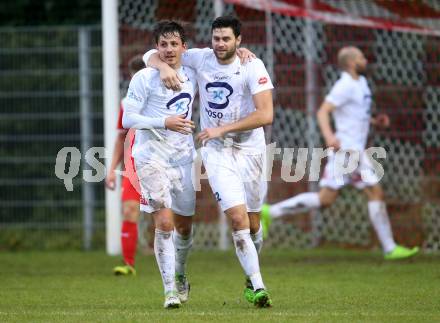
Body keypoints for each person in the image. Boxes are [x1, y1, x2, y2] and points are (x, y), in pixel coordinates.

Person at [144, 15, 273, 307]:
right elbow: (153, 54)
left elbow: (266, 115)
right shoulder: (202, 58)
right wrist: (163, 65)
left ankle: (250, 275)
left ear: (239, 41)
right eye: (216, 38)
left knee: (253, 224)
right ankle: (258, 285)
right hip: (215, 150)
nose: (220, 44)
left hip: (251, 150)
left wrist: (223, 128)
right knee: (237, 218)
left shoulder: (252, 65)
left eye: (227, 39)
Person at [261, 46, 419, 260]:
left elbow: (354, 113)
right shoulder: (344, 85)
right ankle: (390, 248)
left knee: (325, 198)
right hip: (348, 151)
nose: (365, 60)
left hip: (352, 150)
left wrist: (374, 121)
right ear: (352, 62)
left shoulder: (360, 83)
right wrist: (329, 137)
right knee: (375, 192)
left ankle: (271, 212)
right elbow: (323, 111)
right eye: (362, 57)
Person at [122, 21, 197, 309]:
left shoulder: (192, 72)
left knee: (185, 226)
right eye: (163, 45)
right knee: (164, 223)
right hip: (150, 158)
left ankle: (180, 272)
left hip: (183, 159)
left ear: (183, 48)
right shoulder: (143, 78)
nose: (168, 49)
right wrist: (162, 122)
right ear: (156, 48)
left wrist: (244, 54)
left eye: (173, 44)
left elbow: (222, 59)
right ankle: (169, 292)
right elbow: (128, 119)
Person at [105, 55, 151, 276]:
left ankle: (172, 266)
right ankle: (129, 264)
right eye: (133, 77)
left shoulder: (163, 98)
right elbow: (120, 137)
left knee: (165, 216)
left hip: (159, 164)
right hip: (133, 166)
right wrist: (111, 169)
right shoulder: (127, 103)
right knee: (130, 211)